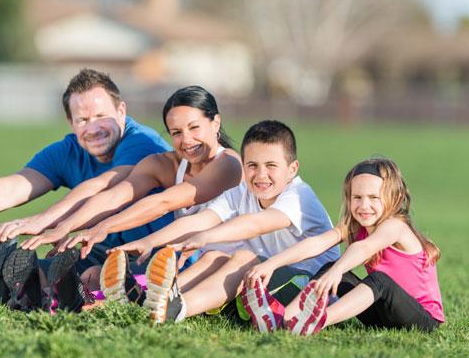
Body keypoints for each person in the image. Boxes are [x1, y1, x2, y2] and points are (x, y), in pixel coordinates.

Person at [0, 68, 172, 305]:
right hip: (101, 247)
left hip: (156, 252)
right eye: (83, 120)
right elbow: (14, 186)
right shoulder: (68, 151)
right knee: (28, 271)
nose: (93, 128)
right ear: (70, 123)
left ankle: (53, 293)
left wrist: (44, 221)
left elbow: (105, 188)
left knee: (89, 275)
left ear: (121, 111)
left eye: (101, 116)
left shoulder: (142, 144)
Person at [0, 85, 244, 305]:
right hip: (185, 259)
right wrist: (65, 226)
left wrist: (103, 227)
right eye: (176, 132)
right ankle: (52, 296)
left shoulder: (228, 164)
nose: (186, 140)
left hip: (227, 268)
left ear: (215, 123)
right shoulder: (166, 164)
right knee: (94, 275)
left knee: (137, 280)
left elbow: (163, 202)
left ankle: (97, 299)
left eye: (194, 128)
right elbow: (115, 195)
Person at [109, 120, 339, 324]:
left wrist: (205, 236)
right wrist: (149, 241)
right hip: (266, 281)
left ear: (292, 169)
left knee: (244, 258)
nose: (260, 175)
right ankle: (151, 299)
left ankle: (176, 308)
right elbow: (201, 221)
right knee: (214, 257)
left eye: (271, 166)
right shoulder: (242, 192)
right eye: (252, 165)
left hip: (313, 290)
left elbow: (257, 223)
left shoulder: (300, 196)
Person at [241, 158, 444, 335]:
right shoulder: (356, 226)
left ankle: (316, 321)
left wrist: (338, 271)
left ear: (395, 198)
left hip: (421, 319)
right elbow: (316, 244)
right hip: (382, 317)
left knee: (380, 280)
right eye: (357, 198)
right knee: (330, 267)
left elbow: (364, 248)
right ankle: (285, 319)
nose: (364, 206)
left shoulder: (395, 226)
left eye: (374, 198)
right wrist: (272, 264)